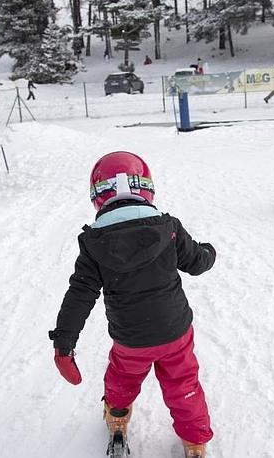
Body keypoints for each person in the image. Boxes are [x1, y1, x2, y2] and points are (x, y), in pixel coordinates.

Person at [49, 152, 215, 458]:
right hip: (174, 333)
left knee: (121, 380)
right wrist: (209, 252)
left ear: (98, 195)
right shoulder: (169, 228)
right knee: (183, 384)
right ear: (145, 187)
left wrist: (64, 343)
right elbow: (197, 262)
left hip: (130, 340)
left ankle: (117, 419)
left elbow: (80, 294)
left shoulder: (94, 243)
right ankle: (194, 443)